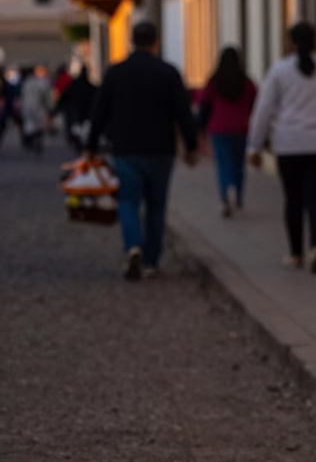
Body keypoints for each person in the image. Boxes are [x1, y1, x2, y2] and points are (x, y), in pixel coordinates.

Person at [87, 21, 199, 281]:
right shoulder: (168, 72)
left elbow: (99, 112)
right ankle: (151, 261)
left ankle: (133, 245)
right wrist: (191, 145)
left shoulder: (115, 73)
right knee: (156, 206)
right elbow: (183, 112)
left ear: (131, 42)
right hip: (161, 150)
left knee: (127, 201)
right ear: (155, 42)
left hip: (126, 148)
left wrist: (91, 146)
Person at [248, 22, 316, 275]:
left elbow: (263, 111)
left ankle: (296, 254)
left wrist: (254, 146)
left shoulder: (279, 71)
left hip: (289, 145)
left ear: (290, 43)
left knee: (293, 199)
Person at [199, 47, 258, 217]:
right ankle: (238, 195)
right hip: (240, 128)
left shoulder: (214, 82)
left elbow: (205, 106)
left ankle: (225, 194)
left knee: (223, 163)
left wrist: (200, 128)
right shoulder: (247, 83)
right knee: (239, 163)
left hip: (219, 128)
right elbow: (255, 104)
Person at [56, 66, 97, 154]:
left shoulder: (74, 85)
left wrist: (57, 109)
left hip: (76, 114)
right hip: (84, 114)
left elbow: (63, 97)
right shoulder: (90, 87)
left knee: (77, 131)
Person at [19, 65, 53, 155]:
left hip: (27, 107)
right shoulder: (43, 83)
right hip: (38, 107)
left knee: (30, 125)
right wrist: (49, 108)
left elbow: (22, 95)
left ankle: (30, 142)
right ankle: (36, 142)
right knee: (38, 126)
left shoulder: (27, 82)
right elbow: (47, 96)